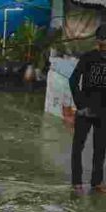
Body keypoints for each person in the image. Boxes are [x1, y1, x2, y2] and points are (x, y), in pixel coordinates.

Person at [69, 24, 106, 194]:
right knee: (78, 147)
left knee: (100, 148)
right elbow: (73, 80)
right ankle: (77, 182)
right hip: (85, 110)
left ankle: (96, 182)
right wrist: (81, 105)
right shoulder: (88, 58)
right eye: (101, 40)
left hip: (103, 111)